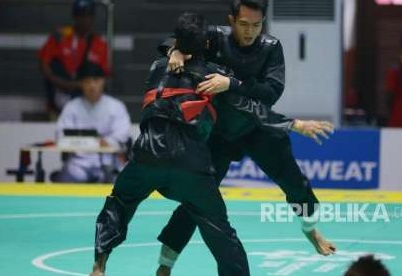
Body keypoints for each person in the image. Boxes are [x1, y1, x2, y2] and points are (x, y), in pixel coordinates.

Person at [156, 1, 336, 275]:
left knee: (296, 184)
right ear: (231, 20)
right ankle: (165, 265)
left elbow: (271, 93)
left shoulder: (271, 48)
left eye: (256, 25)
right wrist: (176, 50)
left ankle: (311, 230)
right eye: (243, 24)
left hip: (257, 127)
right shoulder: (214, 37)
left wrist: (232, 83)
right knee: (197, 198)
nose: (250, 31)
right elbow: (173, 38)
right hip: (218, 133)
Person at [90, 13, 252, 276]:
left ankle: (99, 266)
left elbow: (170, 51)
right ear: (207, 45)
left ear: (178, 42)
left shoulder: (156, 67)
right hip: (191, 163)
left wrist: (174, 51)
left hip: (146, 156)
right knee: (220, 231)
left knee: (119, 201)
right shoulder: (215, 76)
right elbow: (246, 92)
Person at [54, 61, 131, 183]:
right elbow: (61, 134)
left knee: (123, 181)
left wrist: (106, 141)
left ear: (103, 81)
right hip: (79, 161)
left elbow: (122, 134)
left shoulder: (116, 106)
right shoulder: (72, 107)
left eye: (96, 80)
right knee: (67, 177)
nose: (92, 85)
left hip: (109, 160)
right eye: (87, 81)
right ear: (81, 83)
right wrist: (87, 142)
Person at [38, 0, 109, 118]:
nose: (83, 19)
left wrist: (85, 86)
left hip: (86, 93)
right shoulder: (60, 36)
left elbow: (104, 76)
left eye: (87, 15)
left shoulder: (100, 44)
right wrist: (62, 83)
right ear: (74, 17)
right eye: (80, 15)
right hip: (61, 88)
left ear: (92, 17)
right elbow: (44, 64)